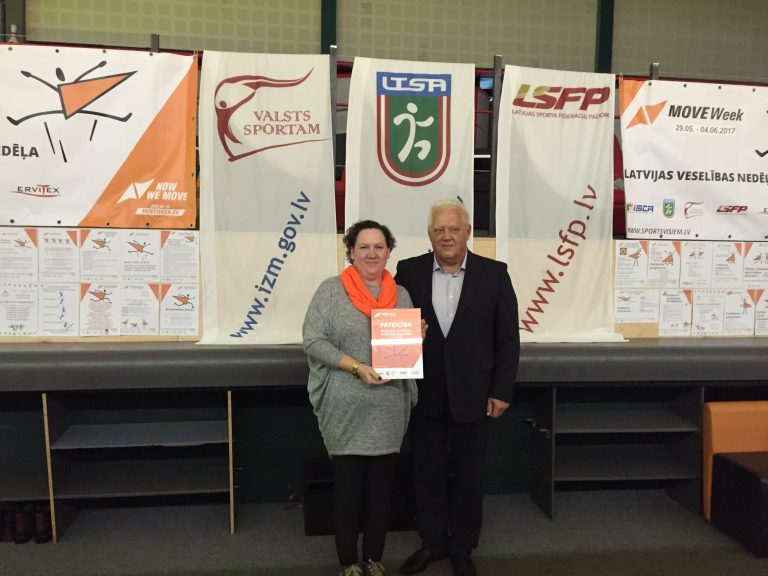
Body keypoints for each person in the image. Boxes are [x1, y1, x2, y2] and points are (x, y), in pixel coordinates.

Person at [395, 199, 520, 576]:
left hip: (476, 394)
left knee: (470, 476)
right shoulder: (408, 271)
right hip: (424, 394)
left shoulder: (495, 274)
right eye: (439, 229)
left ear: (467, 232)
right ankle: (432, 543)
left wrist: (502, 390)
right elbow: (392, 327)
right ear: (429, 234)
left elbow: (507, 340)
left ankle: (463, 547)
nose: (446, 235)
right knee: (426, 474)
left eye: (454, 228)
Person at [303, 220, 419, 576]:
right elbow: (313, 341)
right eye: (364, 247)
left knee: (381, 494)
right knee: (348, 493)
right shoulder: (330, 291)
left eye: (379, 247)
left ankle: (373, 557)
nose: (372, 253)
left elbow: (403, 350)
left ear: (389, 251)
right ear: (351, 251)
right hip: (345, 408)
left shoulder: (401, 294)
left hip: (388, 407)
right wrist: (356, 367)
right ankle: (347, 562)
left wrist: (417, 340)